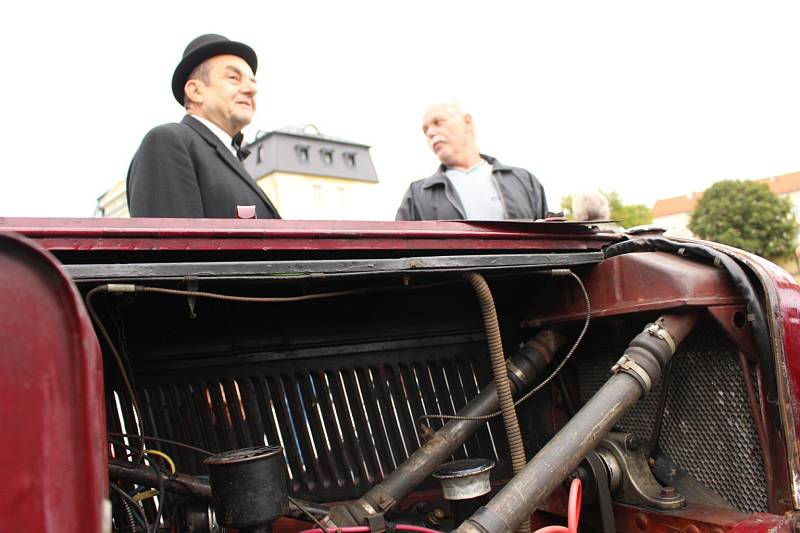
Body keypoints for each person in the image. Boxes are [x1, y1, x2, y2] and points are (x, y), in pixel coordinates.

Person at [127, 34, 280, 218]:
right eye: (234, 77)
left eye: (252, 81)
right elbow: (174, 244)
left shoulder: (230, 157)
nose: (251, 89)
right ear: (196, 91)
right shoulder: (168, 142)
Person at [395, 101, 547, 221]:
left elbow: (550, 246)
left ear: (467, 122)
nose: (430, 132)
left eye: (438, 122)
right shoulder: (417, 196)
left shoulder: (524, 181)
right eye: (425, 129)